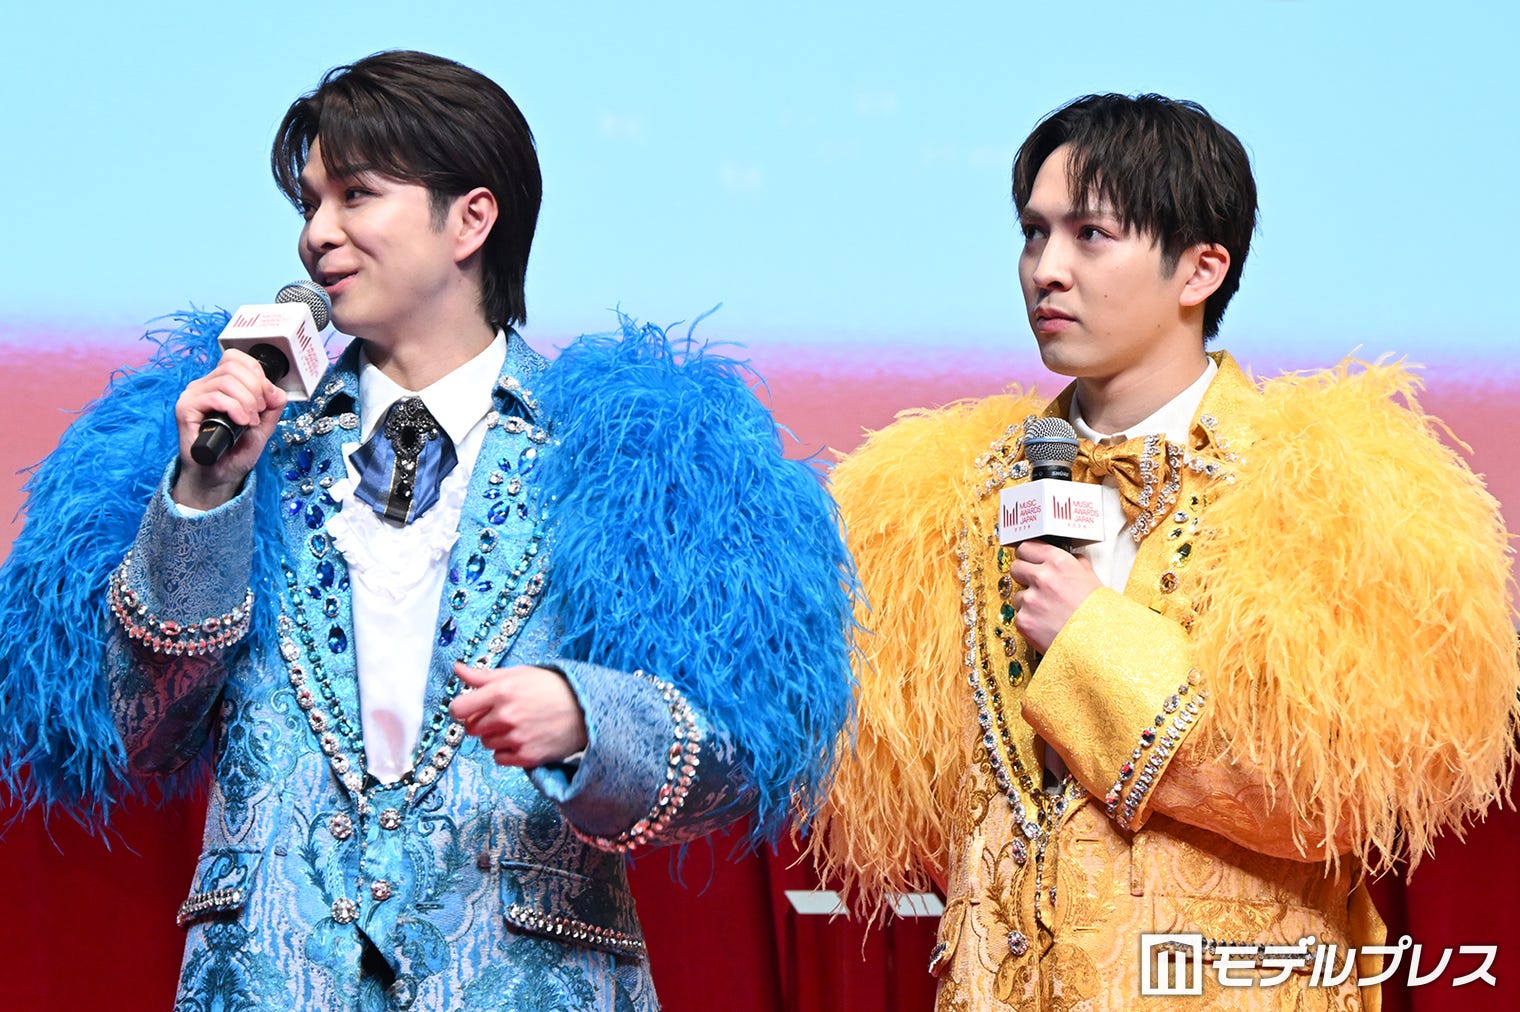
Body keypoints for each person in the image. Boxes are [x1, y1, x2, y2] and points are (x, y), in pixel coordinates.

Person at [0, 50, 853, 1010]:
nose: (316, 235)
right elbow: (139, 730)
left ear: (471, 220)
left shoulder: (623, 454)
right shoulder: (252, 441)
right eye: (309, 204)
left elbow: (739, 756)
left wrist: (590, 721)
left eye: (356, 195)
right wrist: (207, 491)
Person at [809, 93, 1518, 1009]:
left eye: (1091, 236)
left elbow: (1336, 799)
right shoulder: (947, 494)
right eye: (1033, 233)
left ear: (1200, 270)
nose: (1046, 269)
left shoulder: (1323, 490)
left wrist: (1093, 643)